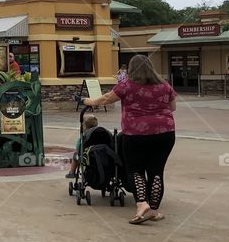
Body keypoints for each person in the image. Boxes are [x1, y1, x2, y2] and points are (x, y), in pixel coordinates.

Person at [84, 54, 176, 225]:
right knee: (157, 171)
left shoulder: (127, 85)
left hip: (136, 134)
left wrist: (89, 101)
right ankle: (154, 210)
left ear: (131, 69)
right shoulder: (164, 85)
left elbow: (106, 99)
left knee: (135, 170)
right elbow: (173, 107)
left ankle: (142, 205)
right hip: (165, 133)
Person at [66, 113, 98, 179]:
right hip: (98, 156)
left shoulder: (83, 138)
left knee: (76, 155)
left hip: (86, 158)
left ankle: (72, 172)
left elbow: (78, 150)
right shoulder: (100, 135)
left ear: (84, 127)